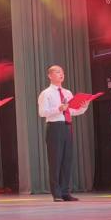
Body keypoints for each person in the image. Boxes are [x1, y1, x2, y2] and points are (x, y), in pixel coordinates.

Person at [37, 65, 89, 202]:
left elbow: (72, 111)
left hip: (67, 126)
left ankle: (65, 192)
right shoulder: (46, 93)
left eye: (62, 72)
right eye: (58, 72)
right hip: (54, 127)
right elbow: (42, 112)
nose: (61, 74)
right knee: (55, 161)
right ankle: (57, 193)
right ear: (50, 76)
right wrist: (58, 109)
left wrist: (83, 107)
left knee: (67, 160)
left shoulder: (67, 92)